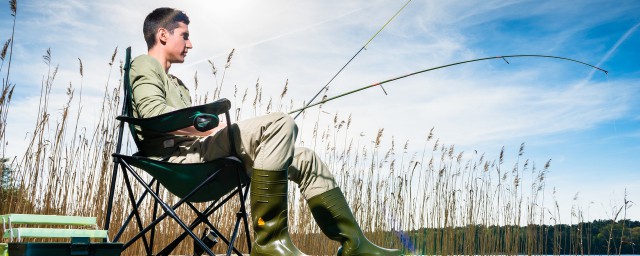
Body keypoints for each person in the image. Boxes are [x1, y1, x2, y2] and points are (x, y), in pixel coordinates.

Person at [130, 7, 401, 256]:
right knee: (280, 123)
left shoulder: (177, 84)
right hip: (180, 162)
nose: (190, 44)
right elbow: (153, 115)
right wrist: (206, 123)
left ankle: (355, 244)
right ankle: (269, 243)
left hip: (202, 152)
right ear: (163, 34)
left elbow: (184, 124)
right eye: (185, 36)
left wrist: (212, 127)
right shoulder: (144, 64)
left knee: (306, 159)